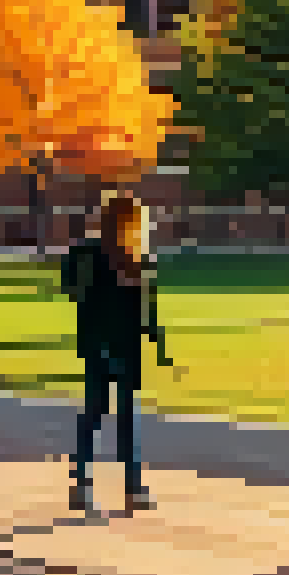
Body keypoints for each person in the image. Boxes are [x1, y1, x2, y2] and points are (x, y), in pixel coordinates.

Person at [58, 192, 175, 515]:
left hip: (121, 344)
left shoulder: (136, 257)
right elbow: (73, 290)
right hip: (104, 342)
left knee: (119, 417)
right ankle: (91, 485)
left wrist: (157, 342)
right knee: (104, 414)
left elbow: (145, 307)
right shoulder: (88, 253)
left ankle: (126, 488)